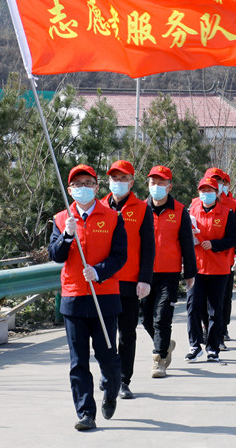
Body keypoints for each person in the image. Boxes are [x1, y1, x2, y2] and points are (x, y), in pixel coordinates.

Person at [48, 164, 128, 431]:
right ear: (70, 190)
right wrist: (67, 236)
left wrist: (99, 271)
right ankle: (85, 413)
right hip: (73, 298)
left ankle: (111, 390)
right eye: (77, 184)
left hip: (104, 297)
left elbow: (120, 256)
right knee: (78, 362)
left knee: (107, 357)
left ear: (96, 187)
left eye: (88, 183)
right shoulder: (62, 219)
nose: (83, 188)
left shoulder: (113, 217)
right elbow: (55, 255)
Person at [99, 160, 154, 399]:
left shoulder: (142, 209)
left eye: (123, 179)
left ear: (131, 182)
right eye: (114, 178)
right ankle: (107, 374)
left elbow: (149, 248)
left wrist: (145, 279)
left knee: (127, 333)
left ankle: (123, 379)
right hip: (104, 281)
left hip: (130, 281)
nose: (118, 182)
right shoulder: (100, 206)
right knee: (104, 334)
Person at [140, 165, 197, 378]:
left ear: (169, 186)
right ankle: (165, 344)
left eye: (161, 183)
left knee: (162, 317)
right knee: (146, 318)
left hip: (169, 273)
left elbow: (187, 244)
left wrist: (190, 273)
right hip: (144, 273)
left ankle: (159, 359)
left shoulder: (180, 211)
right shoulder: (140, 209)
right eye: (153, 182)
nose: (156, 186)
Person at [186, 176, 236, 362]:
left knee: (215, 311)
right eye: (203, 190)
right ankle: (194, 345)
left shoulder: (227, 213)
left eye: (210, 190)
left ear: (217, 193)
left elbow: (234, 238)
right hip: (197, 268)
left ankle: (213, 348)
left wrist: (214, 245)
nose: (206, 194)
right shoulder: (192, 211)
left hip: (218, 268)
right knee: (193, 307)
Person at [203, 167, 236, 350]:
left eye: (220, 181)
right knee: (202, 301)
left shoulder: (234, 205)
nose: (216, 184)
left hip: (225, 260)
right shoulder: (196, 204)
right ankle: (207, 330)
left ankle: (221, 331)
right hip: (202, 262)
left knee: (222, 299)